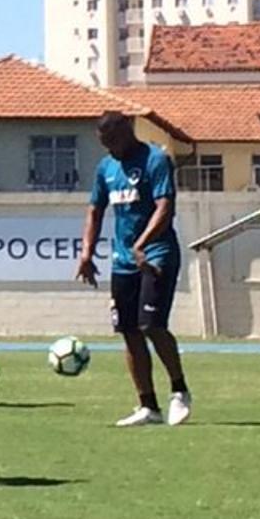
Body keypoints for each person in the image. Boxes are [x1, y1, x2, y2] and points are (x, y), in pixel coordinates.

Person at [77, 111, 192, 427]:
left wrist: (142, 244)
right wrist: (87, 253)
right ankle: (148, 406)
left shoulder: (156, 160)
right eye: (104, 143)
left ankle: (180, 390)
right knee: (128, 331)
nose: (109, 147)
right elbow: (94, 210)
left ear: (127, 130)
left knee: (152, 325)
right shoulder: (106, 167)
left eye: (113, 140)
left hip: (157, 255)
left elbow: (165, 208)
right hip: (123, 262)